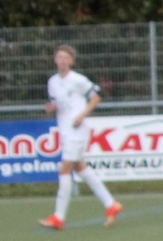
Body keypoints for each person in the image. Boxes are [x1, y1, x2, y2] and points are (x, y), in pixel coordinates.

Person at [39, 44, 121, 231]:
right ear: (55, 60)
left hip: (77, 130)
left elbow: (96, 97)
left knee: (64, 169)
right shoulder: (52, 82)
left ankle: (58, 217)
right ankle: (111, 204)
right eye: (59, 57)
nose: (62, 60)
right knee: (81, 168)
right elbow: (57, 103)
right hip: (64, 129)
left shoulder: (78, 80)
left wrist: (82, 115)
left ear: (71, 61)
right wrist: (52, 107)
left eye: (65, 57)